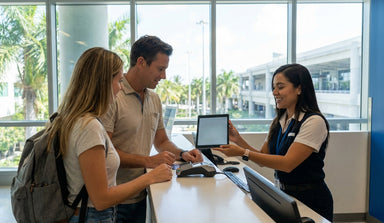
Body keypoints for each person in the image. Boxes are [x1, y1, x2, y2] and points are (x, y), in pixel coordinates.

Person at [45, 47, 172, 223]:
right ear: (102, 83)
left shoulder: (72, 119)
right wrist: (151, 176)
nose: (121, 88)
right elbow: (101, 199)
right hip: (93, 216)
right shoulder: (89, 127)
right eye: (119, 80)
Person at [100, 35, 203, 223]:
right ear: (141, 62)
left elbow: (161, 141)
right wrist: (149, 160)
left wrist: (183, 154)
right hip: (114, 199)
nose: (163, 76)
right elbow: (105, 154)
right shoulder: (113, 95)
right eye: (160, 69)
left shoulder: (154, 99)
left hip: (141, 193)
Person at [213, 63, 333, 221]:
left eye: (280, 87)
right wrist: (238, 140)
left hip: (310, 199)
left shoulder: (313, 121)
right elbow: (263, 157)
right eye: (274, 87)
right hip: (284, 195)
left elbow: (287, 164)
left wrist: (242, 153)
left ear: (299, 88)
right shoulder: (280, 120)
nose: (275, 92)